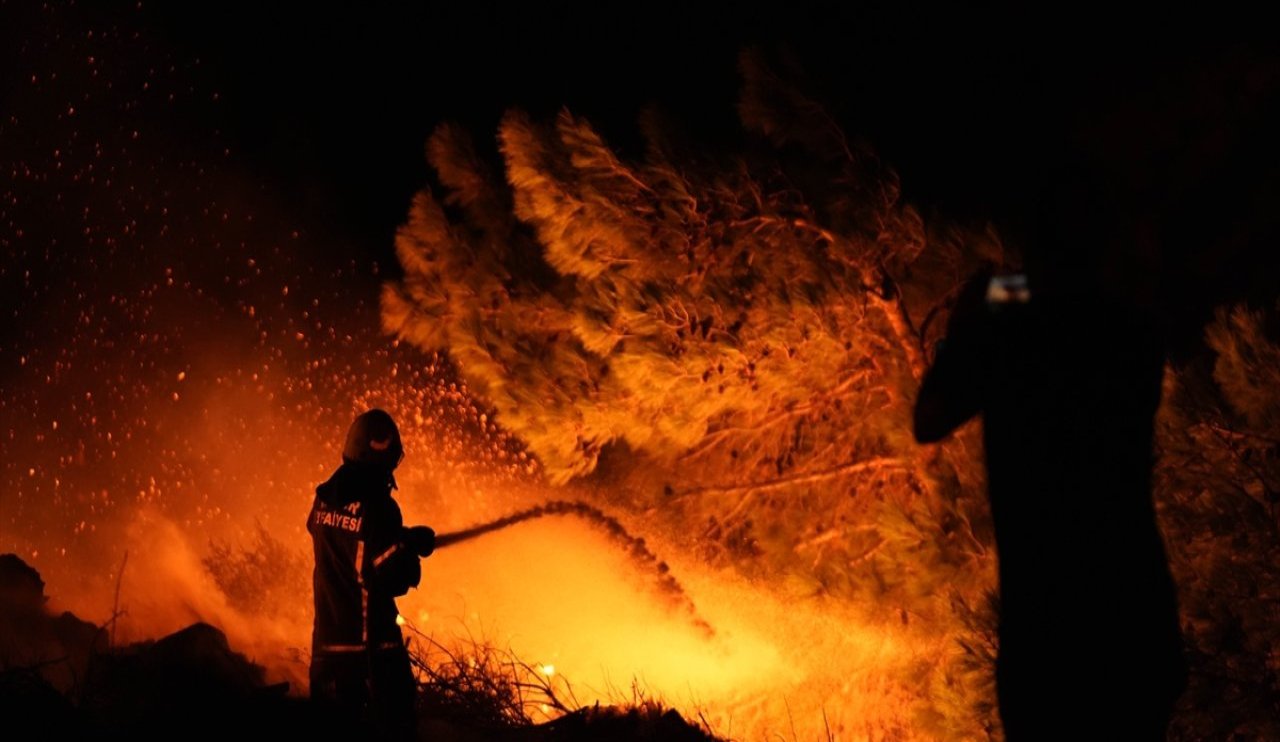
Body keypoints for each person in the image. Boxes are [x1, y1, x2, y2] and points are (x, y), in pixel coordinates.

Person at [913, 162, 1187, 739]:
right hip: (1134, 619)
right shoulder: (1131, 330)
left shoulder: (1009, 339)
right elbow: (1088, 292)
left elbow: (930, 418)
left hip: (1049, 638)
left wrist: (974, 319)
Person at [308, 408, 437, 740]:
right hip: (372, 658)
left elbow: (354, 542)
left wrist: (403, 537)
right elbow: (390, 575)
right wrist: (408, 553)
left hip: (326, 654)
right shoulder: (380, 507)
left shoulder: (324, 500)